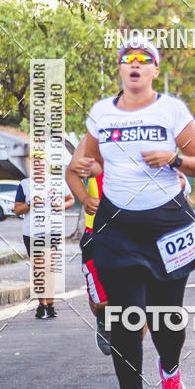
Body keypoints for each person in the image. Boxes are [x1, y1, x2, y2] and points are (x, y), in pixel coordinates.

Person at [84, 35, 195, 389]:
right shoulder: (101, 113)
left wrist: (173, 157)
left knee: (167, 319)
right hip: (117, 227)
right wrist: (80, 187)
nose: (134, 64)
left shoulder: (171, 110)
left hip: (167, 223)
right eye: (127, 59)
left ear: (155, 70)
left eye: (144, 59)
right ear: (120, 69)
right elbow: (82, 162)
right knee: (125, 317)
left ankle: (170, 369)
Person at [66, 138, 111, 353]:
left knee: (138, 307)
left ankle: (131, 358)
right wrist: (84, 199)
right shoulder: (95, 137)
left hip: (135, 234)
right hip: (98, 233)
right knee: (102, 304)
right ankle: (104, 321)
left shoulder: (149, 134)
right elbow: (72, 171)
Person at [14, 163, 74, 319]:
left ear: (47, 167)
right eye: (35, 166)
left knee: (48, 266)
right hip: (31, 232)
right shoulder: (25, 184)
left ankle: (51, 304)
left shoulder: (57, 182)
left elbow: (70, 200)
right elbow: (17, 210)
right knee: (38, 269)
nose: (39, 168)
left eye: (42, 165)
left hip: (51, 230)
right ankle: (42, 304)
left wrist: (61, 205)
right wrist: (29, 203)